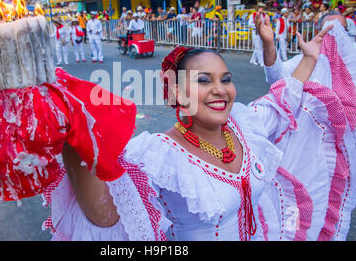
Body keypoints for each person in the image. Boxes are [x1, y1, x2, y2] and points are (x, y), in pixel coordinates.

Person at [41, 12, 356, 241]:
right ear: (177, 92)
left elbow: (282, 99)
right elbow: (107, 214)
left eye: (226, 79)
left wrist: (310, 59)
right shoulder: (159, 155)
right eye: (204, 80)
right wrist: (74, 134)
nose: (221, 89)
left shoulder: (244, 125)